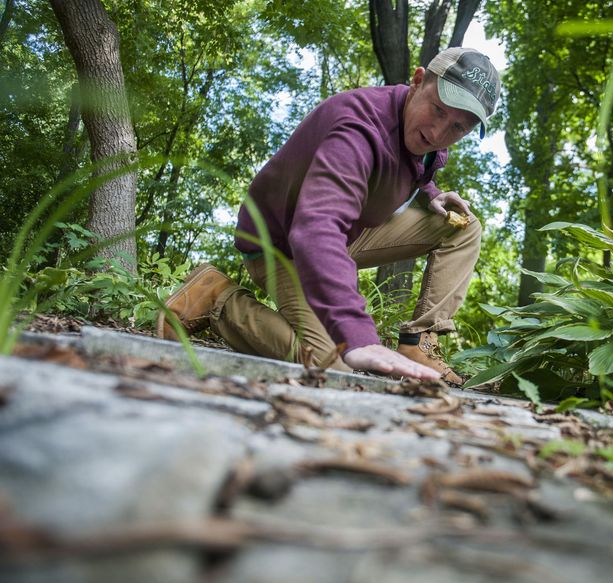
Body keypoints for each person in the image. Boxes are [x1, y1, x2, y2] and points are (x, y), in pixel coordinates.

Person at [156, 47, 500, 384]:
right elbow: (316, 228)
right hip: (281, 244)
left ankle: (417, 344)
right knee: (334, 364)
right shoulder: (358, 129)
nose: (439, 133)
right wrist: (358, 335)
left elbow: (406, 168)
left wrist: (432, 193)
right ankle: (219, 299)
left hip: (346, 231)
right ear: (418, 80)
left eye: (458, 127)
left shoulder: (423, 137)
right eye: (438, 110)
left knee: (461, 227)